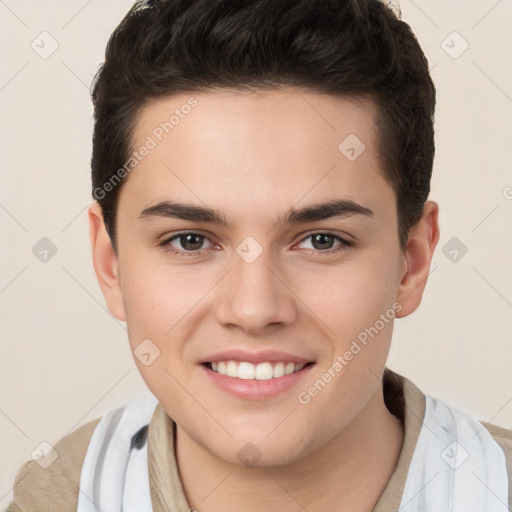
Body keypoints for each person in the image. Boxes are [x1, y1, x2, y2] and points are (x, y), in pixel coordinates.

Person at [6, 0, 511, 510]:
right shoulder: (54, 497)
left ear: (412, 261)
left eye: (321, 240)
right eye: (190, 241)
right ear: (110, 263)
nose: (253, 310)